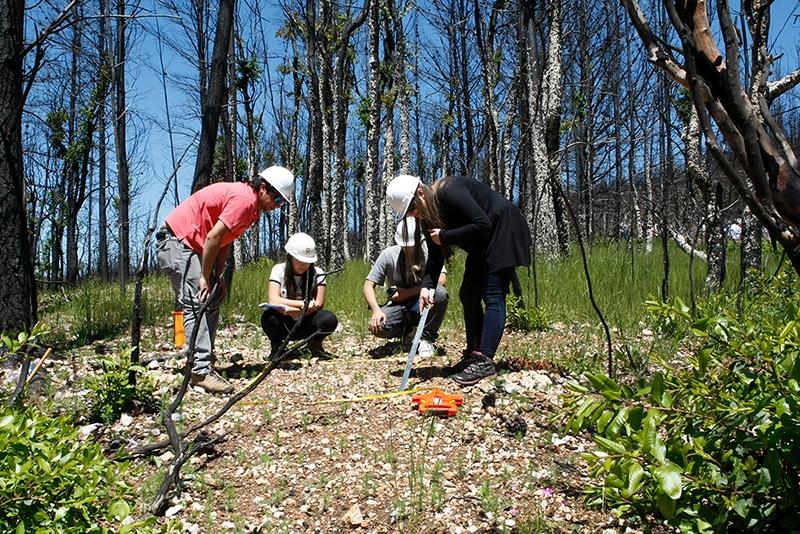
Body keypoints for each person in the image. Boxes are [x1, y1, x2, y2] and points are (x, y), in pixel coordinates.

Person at [156, 166, 294, 394]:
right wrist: (203, 276)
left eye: (281, 202)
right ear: (262, 188)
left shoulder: (251, 208)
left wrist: (216, 277)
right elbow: (212, 237)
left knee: (210, 300)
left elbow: (223, 241)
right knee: (196, 304)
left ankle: (203, 362)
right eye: (277, 198)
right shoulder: (244, 201)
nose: (277, 205)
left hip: (193, 247)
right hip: (178, 243)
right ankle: (199, 372)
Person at [386, 174, 531, 386]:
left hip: (504, 230)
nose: (414, 215)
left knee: (493, 295)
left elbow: (483, 224)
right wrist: (427, 287)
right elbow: (436, 255)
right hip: (482, 244)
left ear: (420, 193)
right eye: (409, 213)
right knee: (468, 294)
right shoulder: (427, 213)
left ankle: (485, 361)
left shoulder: (449, 191)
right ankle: (474, 354)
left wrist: (445, 236)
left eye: (412, 209)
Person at [363, 217, 448, 357]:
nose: (409, 249)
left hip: (422, 302)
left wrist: (408, 292)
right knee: (379, 327)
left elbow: (442, 279)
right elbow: (368, 286)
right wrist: (376, 310)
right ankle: (408, 332)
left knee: (439, 293)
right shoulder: (388, 255)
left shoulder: (426, 250)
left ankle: (426, 338)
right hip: (399, 306)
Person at [261, 232, 338, 359]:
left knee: (329, 319)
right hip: (284, 320)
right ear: (290, 257)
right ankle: (277, 347)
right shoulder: (278, 270)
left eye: (307, 261)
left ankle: (314, 344)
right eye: (300, 260)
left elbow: (319, 304)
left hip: (307, 321)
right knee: (268, 318)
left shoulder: (318, 273)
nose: (304, 265)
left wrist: (295, 310)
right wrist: (301, 305)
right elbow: (273, 299)